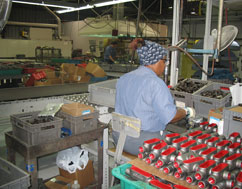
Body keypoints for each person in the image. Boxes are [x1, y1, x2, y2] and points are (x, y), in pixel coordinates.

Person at [112, 39, 192, 156]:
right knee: (184, 147)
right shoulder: (155, 83)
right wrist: (186, 111)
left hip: (119, 138)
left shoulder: (123, 78)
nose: (165, 66)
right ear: (156, 61)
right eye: (164, 61)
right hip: (143, 144)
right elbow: (170, 118)